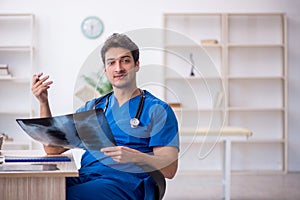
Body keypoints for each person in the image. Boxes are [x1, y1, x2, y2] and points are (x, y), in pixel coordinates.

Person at [31, 33, 179, 200]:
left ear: (137, 65)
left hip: (127, 183)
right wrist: (43, 102)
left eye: (125, 60)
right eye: (112, 62)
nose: (118, 68)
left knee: (65, 196)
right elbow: (53, 149)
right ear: (105, 69)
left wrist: (135, 156)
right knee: (38, 189)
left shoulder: (157, 110)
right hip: (86, 177)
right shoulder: (92, 107)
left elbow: (170, 168)